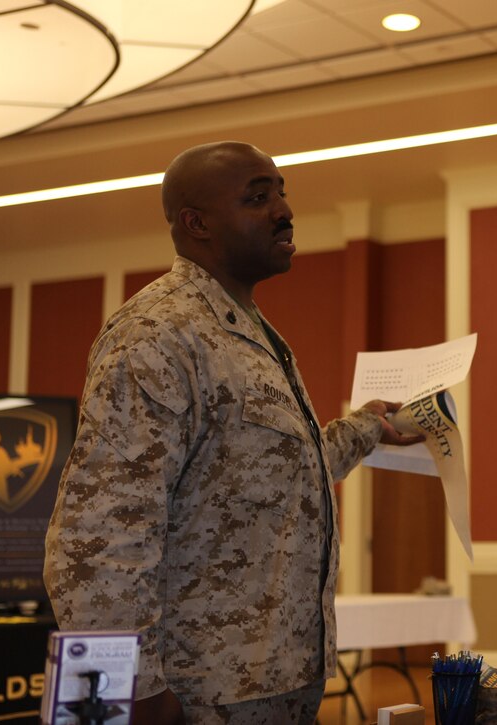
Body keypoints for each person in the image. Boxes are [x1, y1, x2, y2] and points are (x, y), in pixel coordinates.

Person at [44, 141, 422, 724]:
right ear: (196, 224)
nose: (283, 210)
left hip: (277, 680)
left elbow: (279, 470)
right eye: (257, 197)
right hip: (196, 694)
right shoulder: (157, 333)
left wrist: (368, 426)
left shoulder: (251, 333)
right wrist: (127, 694)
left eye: (281, 192)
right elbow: (97, 537)